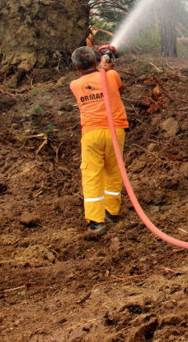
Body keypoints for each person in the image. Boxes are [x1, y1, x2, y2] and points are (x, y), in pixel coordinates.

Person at [70, 46, 129, 236]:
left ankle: (96, 222)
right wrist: (108, 66)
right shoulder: (111, 76)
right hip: (115, 130)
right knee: (113, 170)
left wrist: (103, 66)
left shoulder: (75, 85)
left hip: (91, 134)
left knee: (92, 175)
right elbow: (120, 88)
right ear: (96, 61)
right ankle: (111, 212)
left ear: (76, 67)